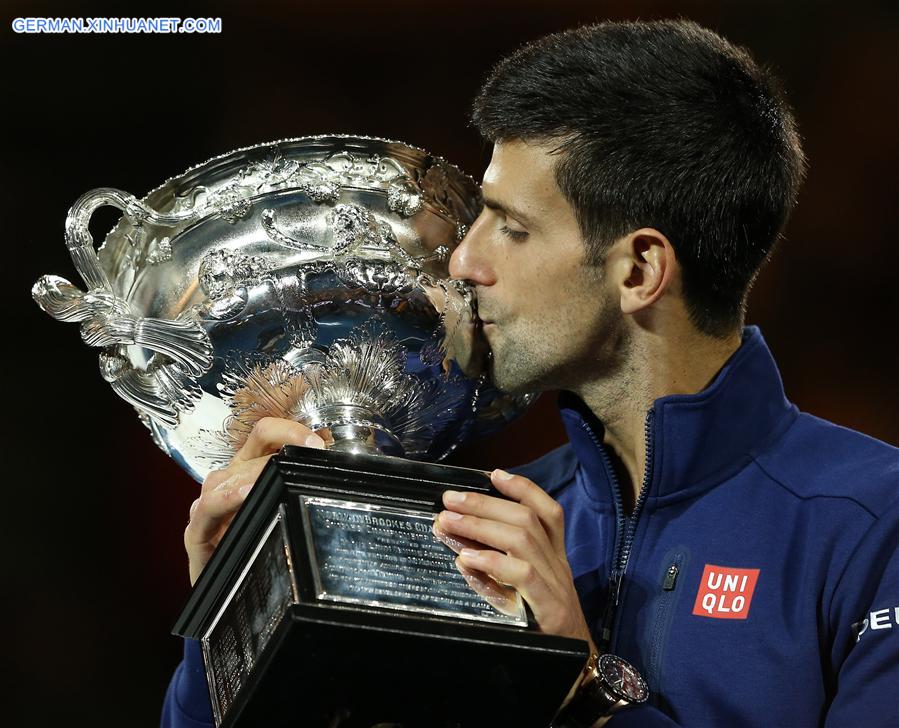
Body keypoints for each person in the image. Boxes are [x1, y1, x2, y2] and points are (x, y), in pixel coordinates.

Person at [162, 19, 899, 727]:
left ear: (639, 269)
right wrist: (234, 622)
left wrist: (578, 688)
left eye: (511, 228)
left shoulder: (871, 527)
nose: (464, 262)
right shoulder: (468, 526)